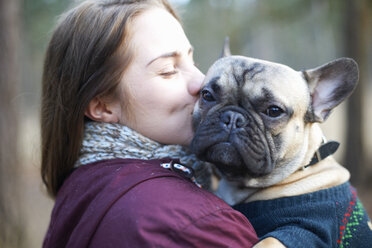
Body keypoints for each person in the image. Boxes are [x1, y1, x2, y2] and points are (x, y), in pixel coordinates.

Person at [41, 0, 258, 247]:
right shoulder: (188, 225)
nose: (202, 82)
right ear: (102, 106)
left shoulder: (84, 183)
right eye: (168, 70)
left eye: (192, 60)